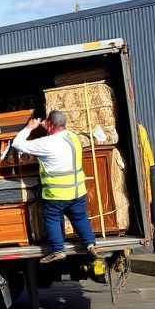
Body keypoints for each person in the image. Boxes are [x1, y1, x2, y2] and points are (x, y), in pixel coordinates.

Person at [12, 110, 98, 264]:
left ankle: (58, 250)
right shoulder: (73, 137)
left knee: (51, 218)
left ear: (50, 124)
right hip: (78, 191)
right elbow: (58, 139)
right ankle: (90, 244)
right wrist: (48, 126)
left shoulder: (47, 143)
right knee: (79, 217)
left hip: (57, 195)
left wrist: (30, 128)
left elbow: (17, 144)